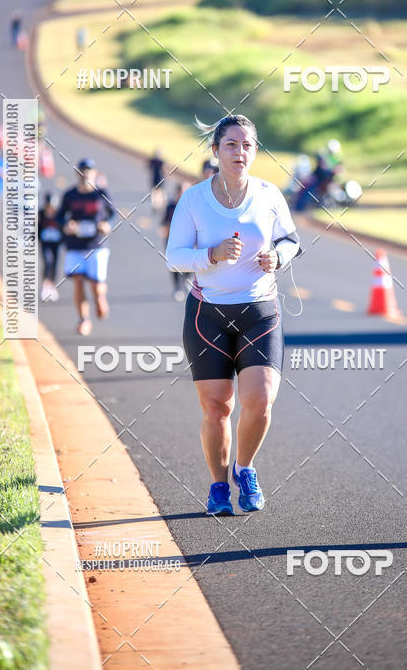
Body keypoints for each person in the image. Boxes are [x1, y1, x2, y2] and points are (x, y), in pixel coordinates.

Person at [165, 115, 301, 516]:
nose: (240, 152)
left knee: (259, 402)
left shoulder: (269, 194)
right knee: (217, 407)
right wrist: (211, 255)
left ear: (255, 151)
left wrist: (278, 257)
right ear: (215, 151)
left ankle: (245, 469)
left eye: (247, 145)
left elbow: (291, 240)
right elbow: (173, 257)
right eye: (231, 144)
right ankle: (218, 486)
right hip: (207, 314)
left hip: (260, 310)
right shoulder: (193, 199)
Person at [57, 158, 115, 336]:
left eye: (89, 170)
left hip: (96, 245)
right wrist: (67, 225)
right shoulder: (69, 195)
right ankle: (84, 320)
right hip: (75, 245)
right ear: (78, 173)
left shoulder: (101, 194)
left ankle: (100, 299)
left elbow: (113, 214)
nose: (85, 174)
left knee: (96, 285)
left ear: (95, 173)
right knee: (78, 281)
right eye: (82, 170)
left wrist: (106, 224)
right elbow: (60, 216)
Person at [161, 182, 191, 301]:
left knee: (189, 263)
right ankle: (177, 287)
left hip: (188, 240)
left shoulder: (191, 206)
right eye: (182, 191)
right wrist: (165, 228)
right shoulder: (171, 207)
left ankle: (187, 282)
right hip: (172, 241)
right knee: (174, 264)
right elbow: (164, 222)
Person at [38, 193, 62, 302]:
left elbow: (63, 228)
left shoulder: (59, 215)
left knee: (55, 264)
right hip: (45, 243)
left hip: (56, 244)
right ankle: (45, 285)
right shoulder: (41, 214)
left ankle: (52, 286)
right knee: (48, 261)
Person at [147, 148, 166, 214]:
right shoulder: (160, 161)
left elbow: (148, 167)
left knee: (155, 192)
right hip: (158, 178)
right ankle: (157, 205)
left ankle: (156, 205)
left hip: (156, 178)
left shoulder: (153, 161)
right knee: (158, 192)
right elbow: (163, 170)